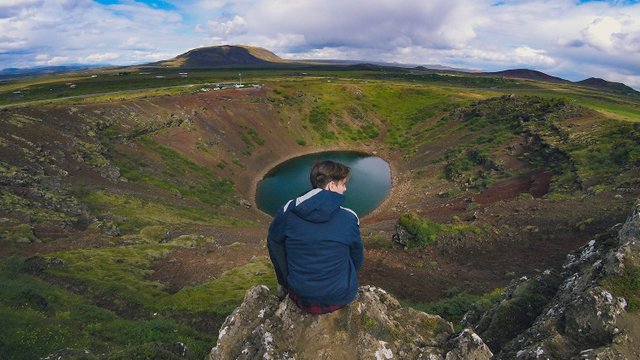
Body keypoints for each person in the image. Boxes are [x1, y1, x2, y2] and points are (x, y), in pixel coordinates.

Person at [267, 160, 364, 314]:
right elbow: (357, 258)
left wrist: (285, 279)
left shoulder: (288, 211)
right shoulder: (349, 217)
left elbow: (274, 242)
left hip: (301, 297)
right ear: (332, 185)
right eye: (343, 184)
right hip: (340, 297)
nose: (345, 189)